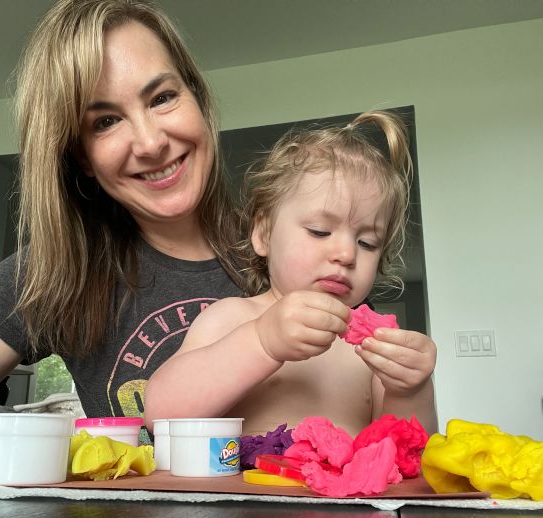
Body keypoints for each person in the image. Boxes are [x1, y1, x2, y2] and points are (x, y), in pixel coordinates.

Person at [0, 0, 248, 468]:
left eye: (162, 98)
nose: (151, 142)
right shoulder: (63, 270)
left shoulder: (315, 247)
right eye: (105, 121)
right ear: (81, 158)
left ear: (197, 99)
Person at [145, 110, 438, 437]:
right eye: (319, 231)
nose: (346, 254)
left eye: (367, 243)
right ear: (263, 234)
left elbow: (409, 453)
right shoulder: (232, 319)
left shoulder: (369, 352)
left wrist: (410, 391)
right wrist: (261, 342)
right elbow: (159, 415)